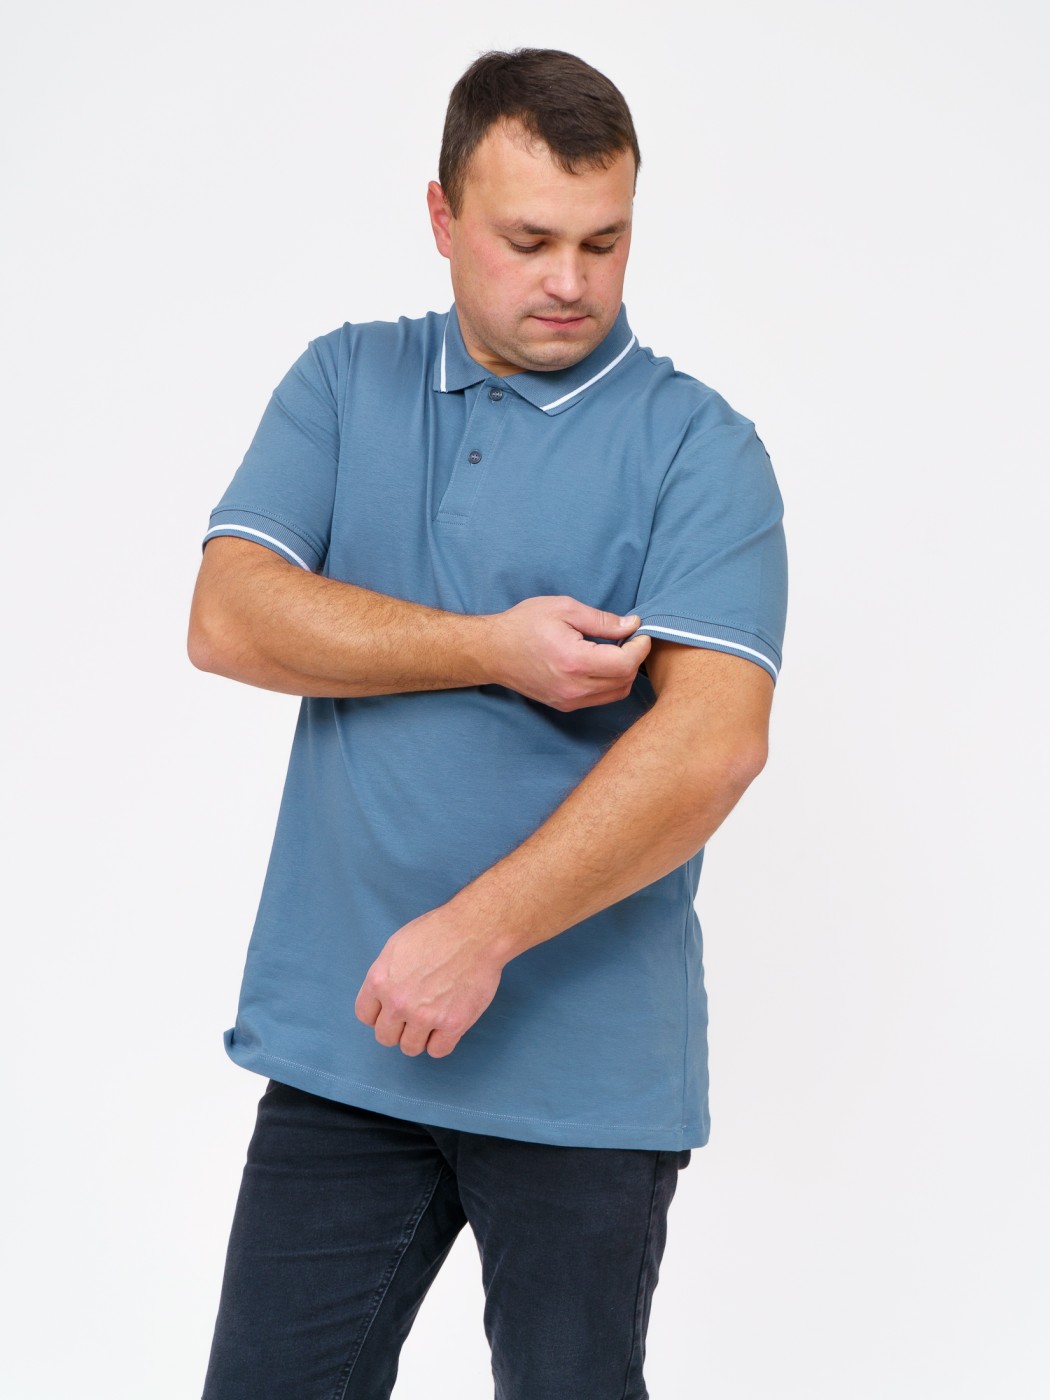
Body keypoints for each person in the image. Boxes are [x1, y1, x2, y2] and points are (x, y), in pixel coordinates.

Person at [189, 46, 787, 1400]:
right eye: (528, 241)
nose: (570, 280)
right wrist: (490, 648)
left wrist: (477, 935)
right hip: (345, 1050)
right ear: (442, 216)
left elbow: (714, 742)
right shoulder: (345, 383)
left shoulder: (699, 447)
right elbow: (230, 617)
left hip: (582, 1081)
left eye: (602, 241)